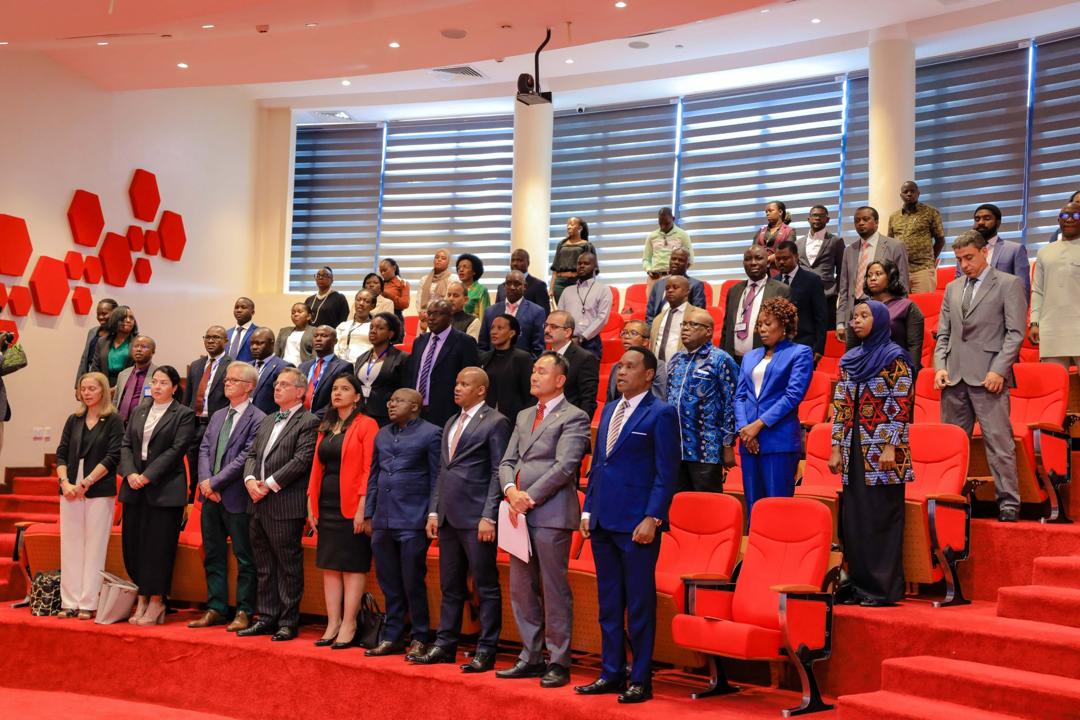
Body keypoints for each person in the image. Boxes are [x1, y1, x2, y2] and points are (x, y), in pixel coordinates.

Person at [576, 347, 679, 703]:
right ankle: (610, 672)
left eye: (630, 367)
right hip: (603, 520)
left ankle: (640, 678)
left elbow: (667, 473)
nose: (621, 372)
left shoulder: (662, 413)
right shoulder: (609, 410)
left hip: (637, 525)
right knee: (608, 604)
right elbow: (600, 465)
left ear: (649, 374)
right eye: (619, 366)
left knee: (638, 605)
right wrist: (588, 510)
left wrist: (653, 517)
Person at [496, 352, 591, 688]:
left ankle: (559, 660)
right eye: (533, 371)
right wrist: (510, 490)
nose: (533, 376)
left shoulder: (574, 416)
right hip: (516, 513)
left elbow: (566, 467)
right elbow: (507, 461)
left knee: (553, 589)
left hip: (549, 513)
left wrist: (527, 497)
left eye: (541, 371)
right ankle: (530, 656)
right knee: (522, 589)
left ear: (560, 380)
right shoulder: (523, 415)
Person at [415, 368, 511, 671]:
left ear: (481, 390)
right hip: (447, 516)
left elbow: (499, 470)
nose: (457, 388)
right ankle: (445, 644)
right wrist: (434, 510)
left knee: (485, 586)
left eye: (464, 384)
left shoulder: (496, 422)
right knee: (450, 586)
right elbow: (443, 471)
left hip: (476, 517)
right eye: (456, 383)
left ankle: (487, 648)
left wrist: (489, 516)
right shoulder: (451, 421)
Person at [829, 300, 915, 606]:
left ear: (879, 321)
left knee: (880, 518)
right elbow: (840, 407)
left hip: (882, 452)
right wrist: (836, 447)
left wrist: (891, 444)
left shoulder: (895, 358)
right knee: (855, 521)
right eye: (854, 317)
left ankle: (883, 589)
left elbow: (902, 404)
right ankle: (861, 585)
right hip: (853, 450)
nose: (857, 321)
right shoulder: (850, 360)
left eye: (864, 316)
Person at [937, 230, 1027, 522]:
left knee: (999, 444)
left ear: (984, 252)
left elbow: (1015, 334)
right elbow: (943, 334)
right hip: (954, 377)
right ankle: (951, 502)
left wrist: (999, 370)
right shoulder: (952, 288)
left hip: (990, 377)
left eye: (969, 257)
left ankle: (1009, 502)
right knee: (951, 447)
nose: (964, 264)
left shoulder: (1008, 284)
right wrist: (940, 366)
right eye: (959, 259)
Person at [238, 368, 320, 641]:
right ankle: (267, 616)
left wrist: (268, 484)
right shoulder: (268, 418)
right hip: (258, 502)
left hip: (284, 503)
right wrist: (250, 480)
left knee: (287, 565)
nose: (277, 388)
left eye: (284, 385)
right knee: (263, 565)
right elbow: (251, 454)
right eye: (275, 384)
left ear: (300, 391)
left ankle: (288, 620)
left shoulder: (308, 421)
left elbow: (301, 460)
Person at [363, 388, 441, 659]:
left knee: (412, 581)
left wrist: (433, 513)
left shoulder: (432, 433)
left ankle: (420, 636)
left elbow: (436, 478)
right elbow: (374, 475)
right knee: (389, 582)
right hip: (383, 519)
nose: (391, 403)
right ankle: (393, 635)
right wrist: (369, 513)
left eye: (399, 400)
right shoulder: (382, 434)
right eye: (391, 399)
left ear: (416, 406)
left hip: (413, 518)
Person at [189, 362, 265, 632]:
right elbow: (204, 448)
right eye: (226, 380)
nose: (227, 383)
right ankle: (216, 607)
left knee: (245, 558)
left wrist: (216, 483)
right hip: (210, 497)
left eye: (234, 380)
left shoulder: (258, 418)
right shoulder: (219, 414)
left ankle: (244, 610)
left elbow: (246, 456)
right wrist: (205, 483)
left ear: (249, 387)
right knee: (213, 554)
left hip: (236, 497)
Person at [118, 366, 196, 626]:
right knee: (134, 546)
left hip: (164, 489)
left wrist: (148, 475)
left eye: (164, 382)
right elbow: (126, 444)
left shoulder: (183, 414)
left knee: (158, 548)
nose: (158, 386)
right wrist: (130, 474)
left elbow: (176, 449)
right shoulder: (140, 410)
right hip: (135, 487)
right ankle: (141, 596)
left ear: (174, 387)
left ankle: (157, 600)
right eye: (155, 381)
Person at [307, 373, 379, 649]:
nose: (337, 393)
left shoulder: (366, 425)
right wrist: (310, 503)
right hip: (326, 504)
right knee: (329, 566)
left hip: (352, 505)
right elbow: (316, 467)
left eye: (345, 389)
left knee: (351, 566)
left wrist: (363, 506)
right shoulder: (327, 425)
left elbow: (368, 469)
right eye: (335, 388)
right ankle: (333, 621)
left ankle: (349, 623)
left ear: (357, 397)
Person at [55, 371, 124, 620]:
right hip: (69, 489)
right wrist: (65, 482)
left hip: (98, 488)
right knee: (71, 545)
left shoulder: (113, 420)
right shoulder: (74, 419)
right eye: (83, 388)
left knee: (94, 546)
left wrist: (86, 482)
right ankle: (69, 602)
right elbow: (61, 452)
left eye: (91, 388)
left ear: (103, 391)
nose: (86, 393)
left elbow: (113, 455)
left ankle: (87, 602)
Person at [734, 298, 814, 514]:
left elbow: (792, 396)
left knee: (777, 507)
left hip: (778, 439)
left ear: (785, 325)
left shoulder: (800, 353)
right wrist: (744, 429)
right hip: (748, 440)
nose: (762, 329)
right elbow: (739, 396)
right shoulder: (750, 356)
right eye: (760, 324)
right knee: (753, 506)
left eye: (768, 324)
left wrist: (757, 425)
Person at [666, 307, 738, 493]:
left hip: (706, 449)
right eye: (684, 324)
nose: (686, 328)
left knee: (706, 508)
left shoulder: (721, 359)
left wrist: (728, 443)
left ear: (708, 331)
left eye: (693, 324)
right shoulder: (676, 359)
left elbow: (733, 402)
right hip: (676, 448)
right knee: (679, 506)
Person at [837, 206, 910, 343]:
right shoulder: (849, 250)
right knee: (856, 360)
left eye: (865, 219)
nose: (860, 223)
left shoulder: (894, 246)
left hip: (884, 312)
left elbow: (903, 285)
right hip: (854, 316)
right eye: (857, 220)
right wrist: (841, 322)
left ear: (876, 222)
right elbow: (844, 289)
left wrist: (896, 317)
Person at [406, 299, 481, 428]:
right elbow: (412, 374)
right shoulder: (419, 342)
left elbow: (470, 380)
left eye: (437, 314)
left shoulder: (465, 342)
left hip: (447, 411)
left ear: (450, 316)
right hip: (416, 410)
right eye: (429, 314)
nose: (431, 318)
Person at [183, 326, 233, 497]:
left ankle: (204, 499)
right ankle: (189, 502)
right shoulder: (196, 365)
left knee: (209, 465)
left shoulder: (232, 366)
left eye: (216, 337)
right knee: (190, 464)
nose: (211, 341)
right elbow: (187, 397)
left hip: (215, 425)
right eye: (208, 337)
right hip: (193, 424)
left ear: (226, 341)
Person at [1030, 201, 1080, 370]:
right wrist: (1034, 323)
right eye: (1065, 215)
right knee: (1054, 384)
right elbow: (1038, 291)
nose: (1070, 219)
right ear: (1059, 220)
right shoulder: (1044, 251)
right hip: (1051, 327)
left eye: (1076, 215)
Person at [720, 245, 790, 365]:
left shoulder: (781, 290)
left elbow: (787, 329)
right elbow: (726, 328)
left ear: (767, 263)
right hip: (733, 361)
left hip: (765, 360)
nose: (753, 263)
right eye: (748, 259)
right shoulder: (733, 291)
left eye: (758, 258)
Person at [863, 259, 924, 372]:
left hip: (897, 370)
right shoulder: (861, 309)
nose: (872, 278)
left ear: (890, 277)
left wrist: (910, 376)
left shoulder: (907, 307)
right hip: (866, 369)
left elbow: (914, 346)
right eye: (869, 275)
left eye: (878, 274)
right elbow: (852, 348)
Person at [958, 204, 1030, 298]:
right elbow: (959, 285)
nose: (980, 222)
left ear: (998, 223)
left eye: (987, 218)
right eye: (977, 219)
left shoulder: (1014, 250)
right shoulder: (964, 251)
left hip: (1001, 309)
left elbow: (1022, 288)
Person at [887, 181, 945, 294]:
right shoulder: (894, 217)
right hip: (900, 270)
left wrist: (931, 260)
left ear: (918, 193)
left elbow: (940, 240)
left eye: (912, 191)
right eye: (905, 192)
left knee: (923, 307)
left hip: (922, 269)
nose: (909, 194)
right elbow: (890, 242)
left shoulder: (930, 212)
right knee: (901, 308)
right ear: (901, 195)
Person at [773, 240, 827, 359]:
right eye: (778, 259)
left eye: (785, 258)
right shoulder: (773, 282)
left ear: (796, 257)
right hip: (778, 346)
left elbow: (821, 317)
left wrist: (819, 348)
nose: (781, 262)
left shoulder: (812, 280)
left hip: (805, 343)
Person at [355, 313, 409, 427]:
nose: (373, 331)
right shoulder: (361, 358)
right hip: (360, 414)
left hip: (385, 417)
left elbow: (406, 390)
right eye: (371, 327)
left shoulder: (402, 358)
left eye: (380, 328)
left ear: (391, 334)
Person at [544, 311, 599, 420]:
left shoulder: (585, 358)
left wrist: (579, 428)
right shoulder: (543, 356)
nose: (546, 330)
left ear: (567, 332)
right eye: (546, 326)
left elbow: (588, 401)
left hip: (567, 424)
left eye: (553, 327)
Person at [557, 252, 612, 360]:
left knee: (587, 375)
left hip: (590, 343)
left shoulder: (603, 289)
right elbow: (560, 316)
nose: (581, 266)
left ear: (595, 267)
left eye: (586, 263)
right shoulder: (567, 291)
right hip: (567, 341)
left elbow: (602, 318)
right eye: (579, 263)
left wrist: (582, 337)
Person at [480, 315, 534, 423]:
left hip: (512, 420)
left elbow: (529, 395)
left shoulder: (522, 358)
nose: (493, 332)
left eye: (500, 328)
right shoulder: (484, 358)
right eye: (492, 328)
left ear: (512, 333)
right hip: (484, 419)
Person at [479, 271, 546, 358]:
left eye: (517, 284)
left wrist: (526, 366)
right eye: (508, 283)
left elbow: (538, 349)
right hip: (493, 366)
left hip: (522, 367)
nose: (512, 287)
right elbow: (482, 346)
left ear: (524, 286)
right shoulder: (490, 311)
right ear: (504, 286)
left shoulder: (537, 312)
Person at [797, 205, 845, 328]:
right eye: (814, 215)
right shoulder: (798, 243)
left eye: (821, 216)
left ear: (827, 219)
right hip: (804, 294)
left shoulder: (836, 241)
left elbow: (842, 270)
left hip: (827, 294)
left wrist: (837, 291)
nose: (817, 218)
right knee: (805, 330)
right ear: (809, 219)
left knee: (826, 331)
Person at [649, 275, 694, 397]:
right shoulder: (658, 318)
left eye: (675, 287)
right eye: (667, 288)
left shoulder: (696, 315)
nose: (670, 290)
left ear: (686, 292)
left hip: (684, 373)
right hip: (658, 375)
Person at [298, 326, 352, 418]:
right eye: (316, 336)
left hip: (325, 420)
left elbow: (339, 399)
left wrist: (311, 418)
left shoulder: (343, 367)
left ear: (335, 341)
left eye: (324, 336)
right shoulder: (303, 366)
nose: (318, 339)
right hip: (299, 418)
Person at [644, 248, 707, 325]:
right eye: (673, 259)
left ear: (687, 265)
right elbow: (650, 313)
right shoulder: (659, 284)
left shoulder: (695, 285)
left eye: (680, 260)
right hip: (658, 328)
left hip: (681, 328)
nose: (676, 262)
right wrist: (652, 330)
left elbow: (698, 313)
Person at [642, 207, 693, 296]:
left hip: (674, 278)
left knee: (673, 307)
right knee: (652, 308)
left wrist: (678, 275)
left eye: (666, 223)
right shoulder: (652, 236)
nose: (663, 226)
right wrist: (649, 270)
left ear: (673, 219)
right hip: (654, 279)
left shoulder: (683, 235)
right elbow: (646, 259)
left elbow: (690, 260)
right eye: (660, 223)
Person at [550, 217, 597, 304]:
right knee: (562, 312)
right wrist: (551, 289)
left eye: (572, 224)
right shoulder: (561, 244)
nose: (569, 227)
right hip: (560, 283)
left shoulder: (587, 245)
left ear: (580, 228)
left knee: (576, 311)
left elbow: (592, 270)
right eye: (568, 225)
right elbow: (555, 269)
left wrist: (592, 289)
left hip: (577, 282)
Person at [90, 305, 138, 389]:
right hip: (104, 386)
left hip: (129, 387)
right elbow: (95, 368)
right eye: (124, 317)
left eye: (131, 318)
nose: (128, 320)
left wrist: (117, 388)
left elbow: (140, 370)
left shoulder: (138, 342)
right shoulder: (102, 341)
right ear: (115, 320)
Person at [249, 328, 294, 416]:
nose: (254, 347)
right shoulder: (247, 366)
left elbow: (288, 400)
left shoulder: (284, 367)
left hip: (268, 419)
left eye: (259, 343)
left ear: (272, 343)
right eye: (252, 343)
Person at [113, 335, 156, 425]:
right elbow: (116, 400)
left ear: (153, 351)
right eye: (136, 346)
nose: (139, 349)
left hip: (143, 424)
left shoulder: (157, 375)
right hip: (120, 424)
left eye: (144, 346)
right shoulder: (123, 374)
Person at [606, 319, 652, 402]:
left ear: (645, 341)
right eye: (624, 333)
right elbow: (609, 401)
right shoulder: (616, 367)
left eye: (633, 333)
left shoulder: (656, 366)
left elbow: (657, 401)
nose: (626, 336)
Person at [75, 298, 117, 386]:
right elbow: (84, 359)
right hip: (90, 378)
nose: (101, 317)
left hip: (109, 382)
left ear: (115, 313)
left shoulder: (118, 335)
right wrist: (78, 384)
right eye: (98, 314)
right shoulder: (93, 331)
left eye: (104, 314)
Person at [334, 290, 376, 363]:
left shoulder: (374, 327)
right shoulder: (343, 325)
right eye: (358, 300)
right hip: (338, 364)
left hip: (361, 365)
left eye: (366, 301)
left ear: (372, 306)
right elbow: (333, 344)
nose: (361, 303)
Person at [275, 302, 316, 366]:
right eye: (293, 313)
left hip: (303, 369)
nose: (295, 314)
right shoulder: (283, 331)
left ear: (308, 316)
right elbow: (276, 353)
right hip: (282, 368)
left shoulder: (315, 331)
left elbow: (315, 356)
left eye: (299, 312)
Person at [225, 297, 260, 363]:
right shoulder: (227, 333)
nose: (239, 310)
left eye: (243, 307)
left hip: (248, 371)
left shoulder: (258, 332)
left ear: (252, 312)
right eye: (236, 307)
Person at [456, 253, 491, 318]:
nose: (461, 270)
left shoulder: (481, 290)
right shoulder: (455, 289)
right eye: (459, 267)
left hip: (474, 326)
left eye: (465, 267)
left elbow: (484, 317)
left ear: (474, 271)